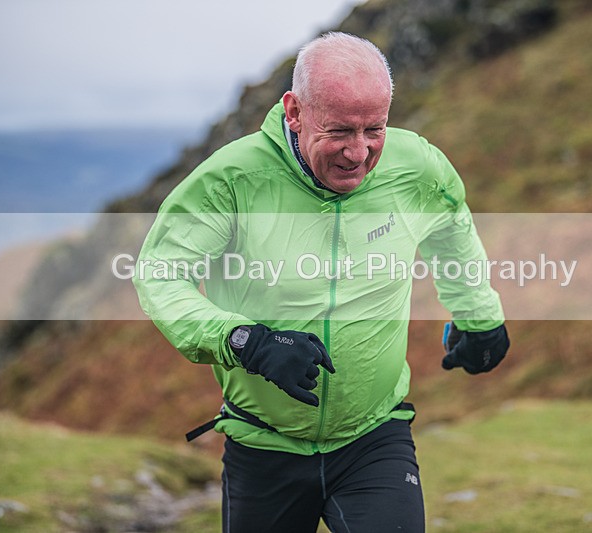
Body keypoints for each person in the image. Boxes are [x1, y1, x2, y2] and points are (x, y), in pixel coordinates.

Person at [134, 32, 509, 533]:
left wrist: (479, 317)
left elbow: (450, 226)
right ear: (294, 111)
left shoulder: (414, 166)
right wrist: (246, 341)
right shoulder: (230, 180)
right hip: (262, 445)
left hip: (375, 436)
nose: (359, 153)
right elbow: (161, 275)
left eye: (374, 129)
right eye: (340, 132)